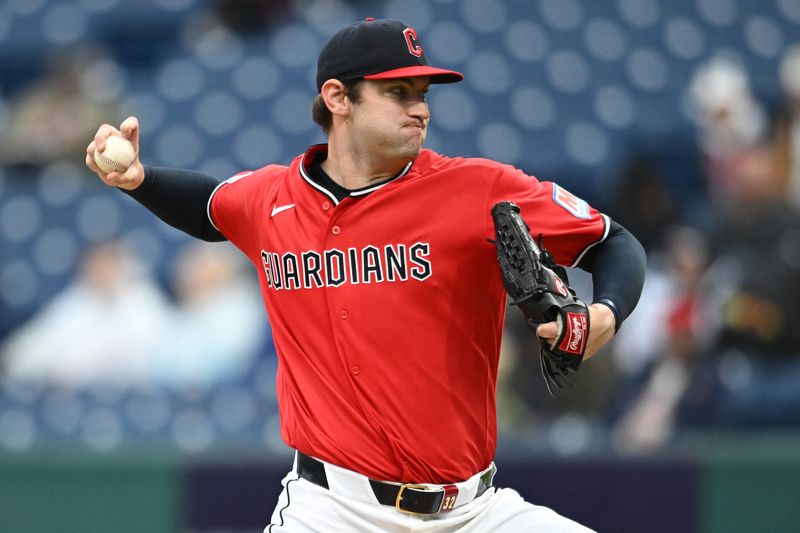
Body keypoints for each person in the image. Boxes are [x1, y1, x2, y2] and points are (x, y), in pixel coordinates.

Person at [86, 18, 645, 533]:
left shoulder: (478, 189)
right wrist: (140, 179)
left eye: (423, 94)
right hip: (331, 510)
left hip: (473, 512)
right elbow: (210, 207)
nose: (420, 110)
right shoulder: (272, 200)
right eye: (398, 92)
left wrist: (607, 312)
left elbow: (613, 242)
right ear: (338, 98)